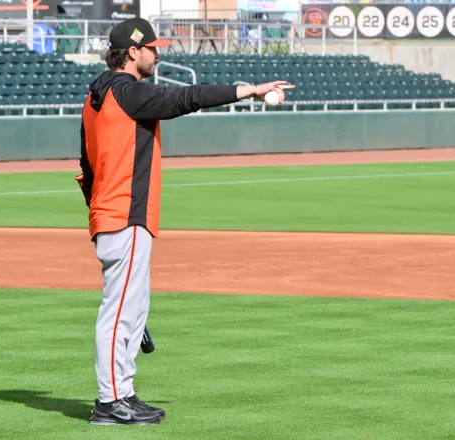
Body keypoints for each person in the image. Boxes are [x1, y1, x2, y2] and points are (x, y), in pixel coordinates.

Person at [75, 17, 295, 426]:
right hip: (125, 215)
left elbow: (86, 167)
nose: (158, 54)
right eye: (153, 49)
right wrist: (249, 90)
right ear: (133, 52)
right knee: (119, 314)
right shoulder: (128, 93)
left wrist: (96, 218)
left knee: (131, 311)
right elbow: (186, 98)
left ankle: (123, 392)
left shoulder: (96, 97)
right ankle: (109, 402)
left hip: (113, 214)